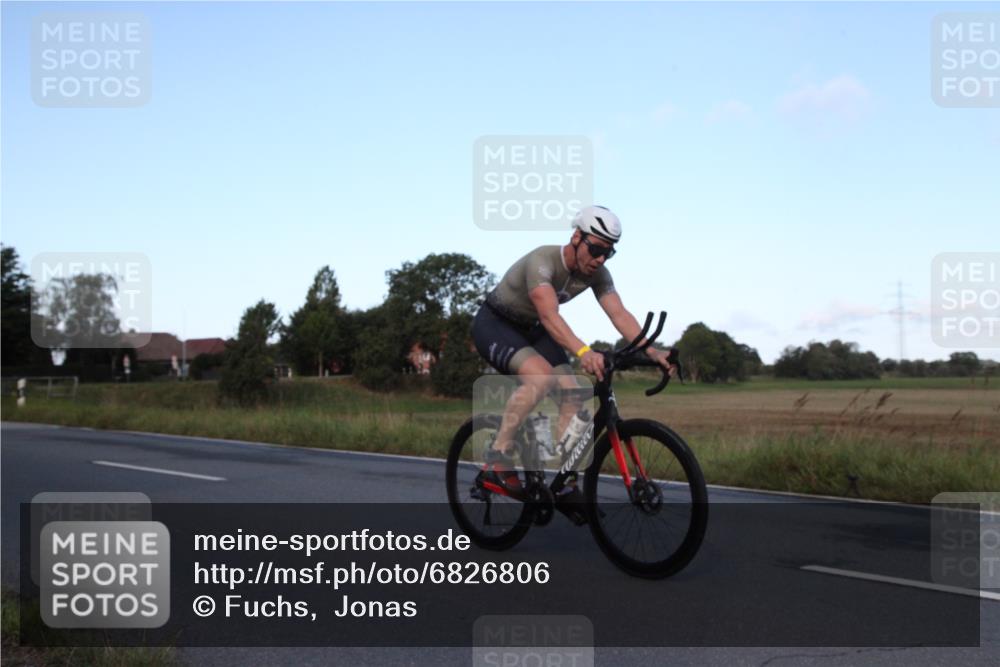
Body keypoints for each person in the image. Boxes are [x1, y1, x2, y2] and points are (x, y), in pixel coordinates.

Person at [471, 205, 677, 493]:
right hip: (496, 323)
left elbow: (619, 314)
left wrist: (652, 352)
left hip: (533, 329)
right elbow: (549, 315)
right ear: (577, 237)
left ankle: (565, 483)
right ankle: (497, 459)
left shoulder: (598, 274)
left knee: (573, 396)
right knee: (540, 378)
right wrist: (583, 352)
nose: (600, 258)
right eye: (596, 249)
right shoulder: (543, 261)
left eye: (608, 252)